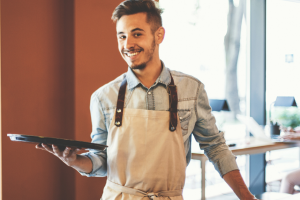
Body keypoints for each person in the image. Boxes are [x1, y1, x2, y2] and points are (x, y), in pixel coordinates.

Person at [36, 0, 257, 199]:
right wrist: (76, 162)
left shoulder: (192, 89)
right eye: (122, 36)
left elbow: (215, 147)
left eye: (137, 33)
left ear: (159, 35)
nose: (127, 44)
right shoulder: (103, 97)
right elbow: (102, 159)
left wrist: (246, 197)